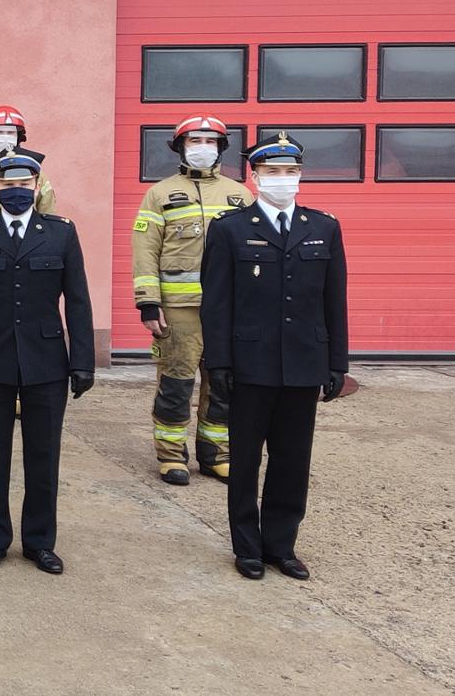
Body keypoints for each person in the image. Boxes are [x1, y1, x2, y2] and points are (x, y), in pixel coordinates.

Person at [202, 131, 348, 582]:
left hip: (304, 363)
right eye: (272, 172)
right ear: (254, 176)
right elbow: (217, 303)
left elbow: (334, 299)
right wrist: (219, 362)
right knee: (244, 460)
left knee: (292, 460)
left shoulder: (323, 226)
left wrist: (336, 363)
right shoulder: (230, 229)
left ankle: (281, 546)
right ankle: (246, 547)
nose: (282, 179)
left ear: (300, 175)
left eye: (290, 171)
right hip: (251, 364)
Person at [0, 153, 93, 575]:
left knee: (44, 456)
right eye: (7, 183)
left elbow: (79, 301)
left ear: (37, 185)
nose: (16, 190)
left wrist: (82, 361)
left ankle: (39, 542)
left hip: (46, 362)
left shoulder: (60, 233)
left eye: (24, 182)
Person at [133, 114, 252, 485]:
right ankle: (171, 456)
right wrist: (148, 302)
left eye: (210, 142)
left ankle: (216, 455)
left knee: (224, 384)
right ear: (181, 148)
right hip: (177, 312)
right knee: (176, 383)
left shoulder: (241, 195)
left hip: (228, 311)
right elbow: (145, 250)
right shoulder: (160, 193)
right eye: (195, 142)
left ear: (221, 148)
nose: (203, 149)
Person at [0, 106, 56, 213]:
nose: (5, 137)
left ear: (19, 137)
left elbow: (47, 212)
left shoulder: (33, 171)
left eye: (11, 133)